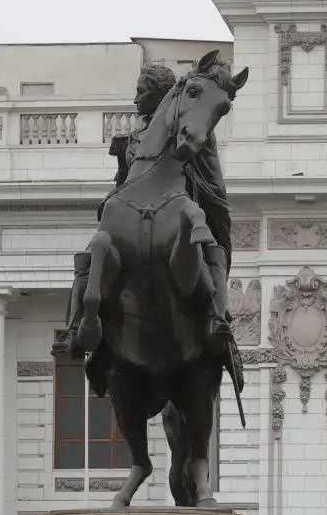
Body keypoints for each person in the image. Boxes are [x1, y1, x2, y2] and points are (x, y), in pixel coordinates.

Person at [53, 60, 236, 360]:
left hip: (177, 206)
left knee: (212, 248)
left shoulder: (190, 128)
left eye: (142, 92)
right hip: (133, 209)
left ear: (162, 95)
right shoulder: (130, 140)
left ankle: (219, 321)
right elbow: (123, 182)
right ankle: (75, 327)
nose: (136, 99)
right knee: (92, 252)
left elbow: (211, 179)